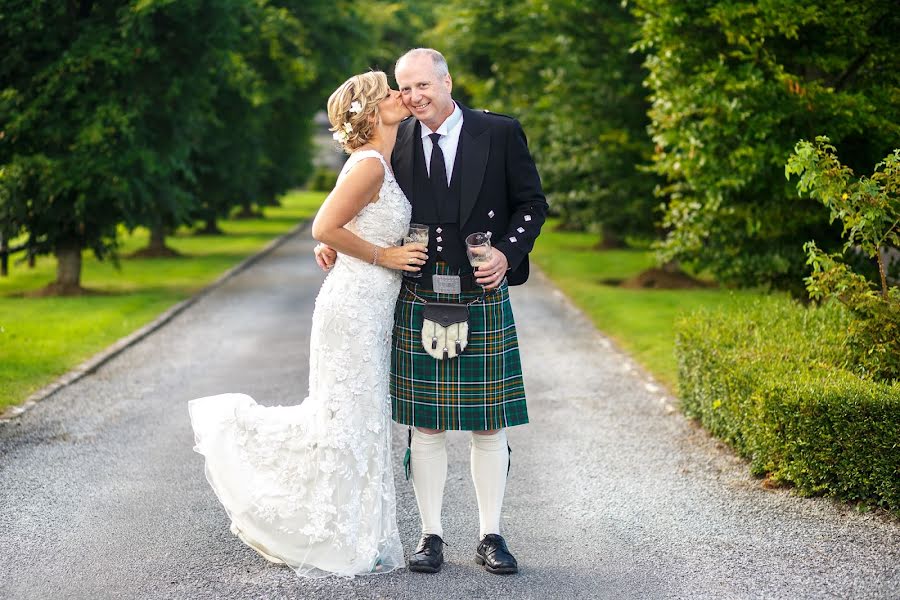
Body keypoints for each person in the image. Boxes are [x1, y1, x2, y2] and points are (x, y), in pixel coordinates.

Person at [316, 48, 548, 575]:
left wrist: (508, 253)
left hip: (481, 294)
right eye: (406, 88)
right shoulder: (392, 142)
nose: (415, 97)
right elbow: (351, 199)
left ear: (447, 82)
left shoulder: (499, 133)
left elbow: (533, 203)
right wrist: (330, 241)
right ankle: (430, 535)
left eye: (424, 85)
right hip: (418, 294)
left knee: (489, 424)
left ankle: (491, 534)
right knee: (426, 426)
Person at [188, 71, 428, 578]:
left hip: (369, 308)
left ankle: (354, 534)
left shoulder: (380, 162)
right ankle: (237, 433)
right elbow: (324, 226)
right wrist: (385, 255)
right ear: (369, 112)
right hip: (353, 310)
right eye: (389, 92)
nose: (398, 96)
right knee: (346, 417)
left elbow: (341, 229)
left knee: (357, 419)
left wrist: (346, 244)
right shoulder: (367, 166)